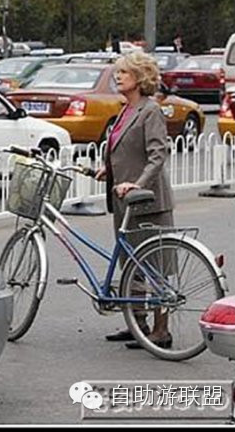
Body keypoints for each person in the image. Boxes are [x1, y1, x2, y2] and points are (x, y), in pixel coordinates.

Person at [94, 51, 175, 350]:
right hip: (124, 201)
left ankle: (161, 330)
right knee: (133, 265)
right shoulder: (126, 110)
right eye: (117, 72)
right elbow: (123, 149)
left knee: (155, 266)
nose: (118, 77)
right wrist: (109, 170)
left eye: (124, 73)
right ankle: (137, 325)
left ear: (140, 79)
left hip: (147, 200)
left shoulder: (149, 110)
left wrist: (137, 184)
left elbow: (157, 155)